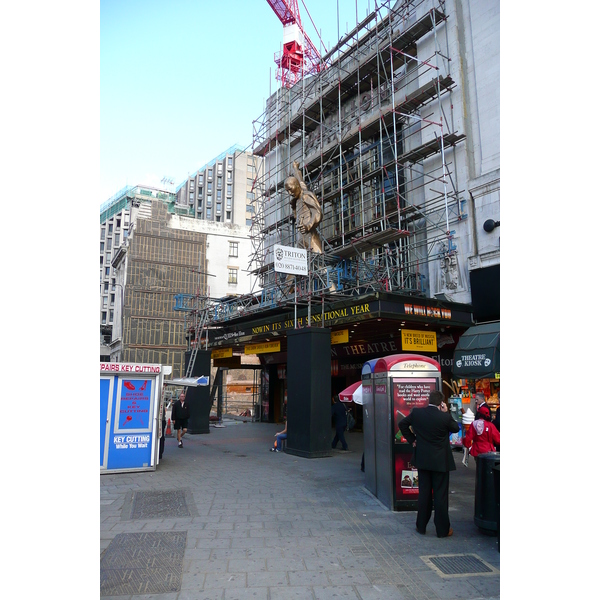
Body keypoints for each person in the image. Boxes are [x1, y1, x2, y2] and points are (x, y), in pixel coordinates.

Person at [399, 390, 459, 538]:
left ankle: (421, 526)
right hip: (441, 462)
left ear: (428, 401)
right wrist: (446, 413)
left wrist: (412, 439)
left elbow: (402, 424)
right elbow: (455, 428)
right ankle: (442, 530)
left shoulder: (418, 413)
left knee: (424, 493)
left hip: (423, 460)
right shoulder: (444, 417)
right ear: (441, 403)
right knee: (441, 496)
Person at [284, 160, 323, 253]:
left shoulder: (306, 195)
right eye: (287, 191)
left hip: (309, 235)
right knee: (302, 263)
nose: (290, 193)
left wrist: (308, 225)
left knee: (317, 260)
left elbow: (317, 213)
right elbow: (300, 180)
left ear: (296, 186)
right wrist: (295, 168)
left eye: (290, 189)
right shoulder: (298, 197)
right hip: (301, 237)